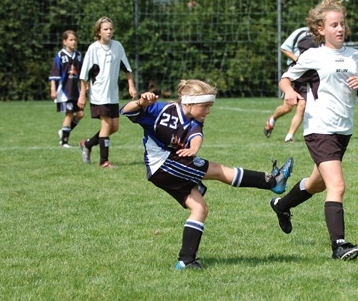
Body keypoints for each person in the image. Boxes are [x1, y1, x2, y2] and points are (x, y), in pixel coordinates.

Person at [120, 79, 294, 270]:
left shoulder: (195, 120)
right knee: (218, 171)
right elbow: (126, 111)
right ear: (189, 103)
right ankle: (272, 182)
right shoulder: (161, 110)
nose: (208, 111)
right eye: (205, 106)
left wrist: (194, 148)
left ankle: (186, 261)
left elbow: (196, 136)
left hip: (169, 164)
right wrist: (141, 103)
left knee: (200, 208)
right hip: (163, 164)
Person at [270, 0, 358, 261]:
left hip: (343, 130)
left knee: (316, 184)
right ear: (320, 29)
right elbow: (286, 79)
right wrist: (289, 92)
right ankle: (339, 245)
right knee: (337, 185)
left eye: (342, 24)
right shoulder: (313, 56)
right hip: (319, 129)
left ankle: (281, 205)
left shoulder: (356, 56)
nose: (340, 29)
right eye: (334, 25)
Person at [78, 16, 137, 168]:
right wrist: (82, 95)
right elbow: (83, 74)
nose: (109, 31)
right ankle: (104, 161)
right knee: (106, 125)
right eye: (105, 29)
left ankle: (87, 144)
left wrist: (131, 86)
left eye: (111, 29)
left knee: (114, 127)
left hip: (112, 94)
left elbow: (127, 68)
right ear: (98, 32)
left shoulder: (117, 46)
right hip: (99, 94)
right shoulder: (93, 49)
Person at [264, 27, 319, 142]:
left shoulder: (324, 35)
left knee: (302, 105)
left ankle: (289, 136)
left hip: (310, 76)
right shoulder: (301, 32)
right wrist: (297, 59)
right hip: (295, 74)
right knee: (287, 108)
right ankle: (272, 119)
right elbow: (284, 48)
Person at [49, 30, 84, 147]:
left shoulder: (78, 56)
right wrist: (53, 89)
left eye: (75, 40)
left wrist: (84, 85)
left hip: (76, 91)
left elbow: (82, 73)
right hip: (65, 91)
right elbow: (54, 74)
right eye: (71, 40)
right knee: (69, 114)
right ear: (64, 41)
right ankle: (64, 141)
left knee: (80, 114)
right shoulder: (61, 55)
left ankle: (63, 131)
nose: (73, 42)